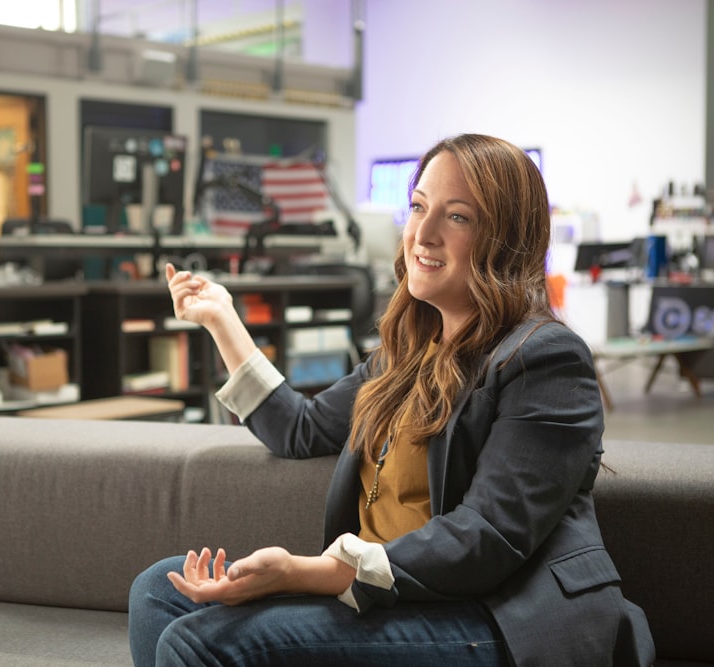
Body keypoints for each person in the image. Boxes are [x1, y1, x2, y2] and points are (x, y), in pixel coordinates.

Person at [128, 134, 655, 666]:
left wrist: (310, 573)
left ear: (505, 238)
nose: (422, 234)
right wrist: (222, 318)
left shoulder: (545, 357)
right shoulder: (405, 355)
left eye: (457, 217)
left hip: (494, 617)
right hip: (392, 599)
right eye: (419, 207)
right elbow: (300, 428)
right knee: (158, 591)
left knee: (197, 642)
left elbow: (490, 535)